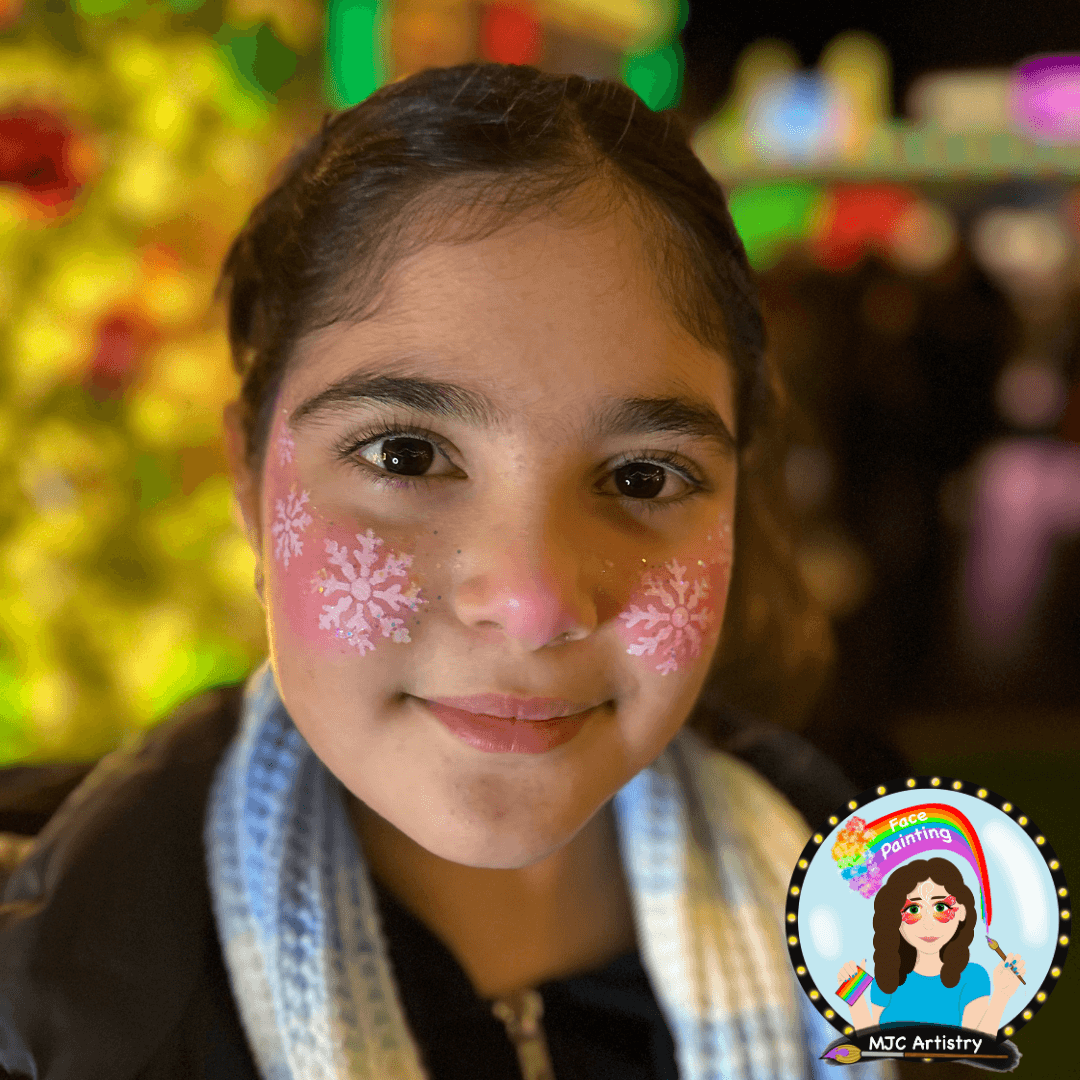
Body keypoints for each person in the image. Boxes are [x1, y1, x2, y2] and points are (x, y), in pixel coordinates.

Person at [0, 63, 892, 1080]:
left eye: (643, 475)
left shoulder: (894, 927)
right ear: (252, 475)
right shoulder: (35, 994)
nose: (534, 602)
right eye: (406, 457)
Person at [838, 856, 1025, 1033]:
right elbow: (873, 1048)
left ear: (961, 912)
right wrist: (854, 994)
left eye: (941, 908)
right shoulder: (886, 978)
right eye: (913, 910)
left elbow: (975, 1047)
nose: (928, 924)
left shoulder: (974, 978)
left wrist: (1002, 996)